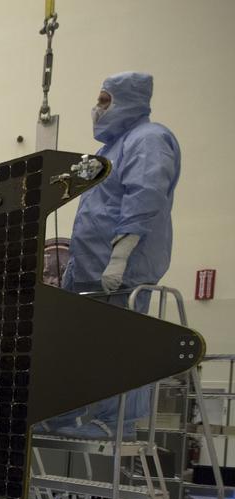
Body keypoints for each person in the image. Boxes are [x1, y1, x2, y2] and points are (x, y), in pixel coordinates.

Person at [40, 72, 180, 437]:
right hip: (88, 268)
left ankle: (117, 424)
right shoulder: (108, 150)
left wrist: (120, 256)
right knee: (77, 346)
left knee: (118, 348)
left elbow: (144, 197)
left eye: (105, 100)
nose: (97, 108)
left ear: (128, 100)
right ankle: (63, 416)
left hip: (121, 272)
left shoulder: (150, 139)